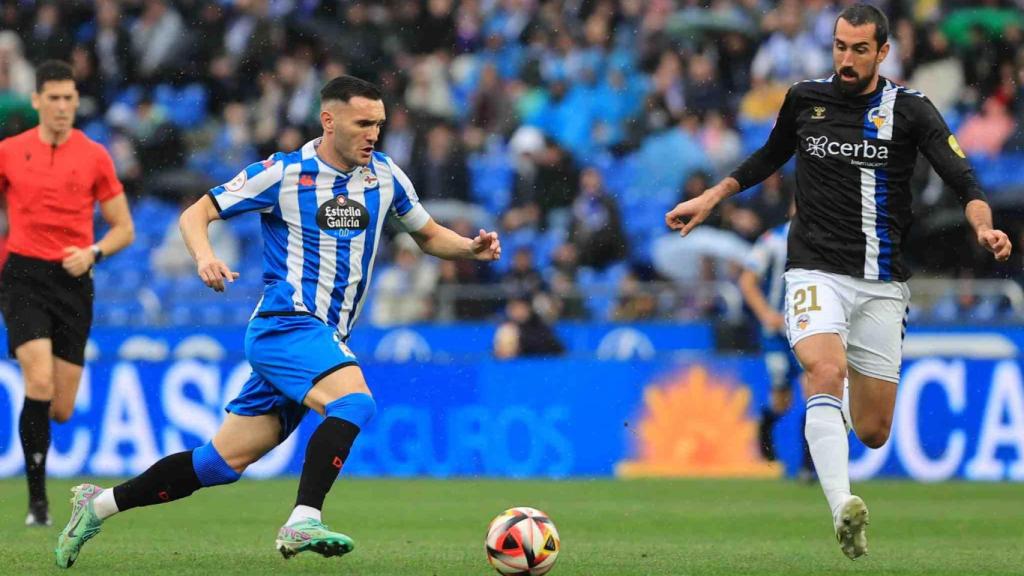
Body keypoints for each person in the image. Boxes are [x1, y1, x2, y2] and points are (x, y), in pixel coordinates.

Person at [54, 75, 501, 568]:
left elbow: (427, 233)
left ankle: (95, 506)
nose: (373, 133)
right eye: (362, 123)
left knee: (219, 464)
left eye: (379, 123)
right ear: (329, 121)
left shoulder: (386, 175)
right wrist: (204, 258)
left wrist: (470, 249)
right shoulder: (284, 173)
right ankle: (303, 518)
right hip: (286, 323)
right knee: (353, 402)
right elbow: (195, 214)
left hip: (322, 337)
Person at [666, 4, 1012, 560]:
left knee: (874, 430)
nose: (846, 59)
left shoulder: (913, 111)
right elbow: (768, 157)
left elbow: (962, 177)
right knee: (823, 370)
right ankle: (842, 508)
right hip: (814, 269)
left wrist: (985, 226)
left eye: (858, 50)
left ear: (882, 52)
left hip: (881, 283)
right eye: (839, 46)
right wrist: (711, 198)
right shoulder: (806, 99)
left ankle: (831, 430)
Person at [0, 60, 134, 527]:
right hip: (22, 276)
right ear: (36, 100)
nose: (61, 107)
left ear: (77, 103)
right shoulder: (9, 152)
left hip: (74, 278)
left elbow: (124, 229)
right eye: (53, 98)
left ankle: (39, 488)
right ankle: (38, 505)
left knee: (59, 408)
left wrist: (93, 252)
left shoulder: (95, 155)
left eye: (69, 99)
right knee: (36, 381)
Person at [737, 219, 814, 479]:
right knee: (782, 400)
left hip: (807, 331)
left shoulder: (823, 237)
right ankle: (765, 425)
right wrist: (766, 314)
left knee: (812, 393)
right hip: (776, 334)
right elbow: (747, 280)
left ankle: (808, 466)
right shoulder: (773, 240)